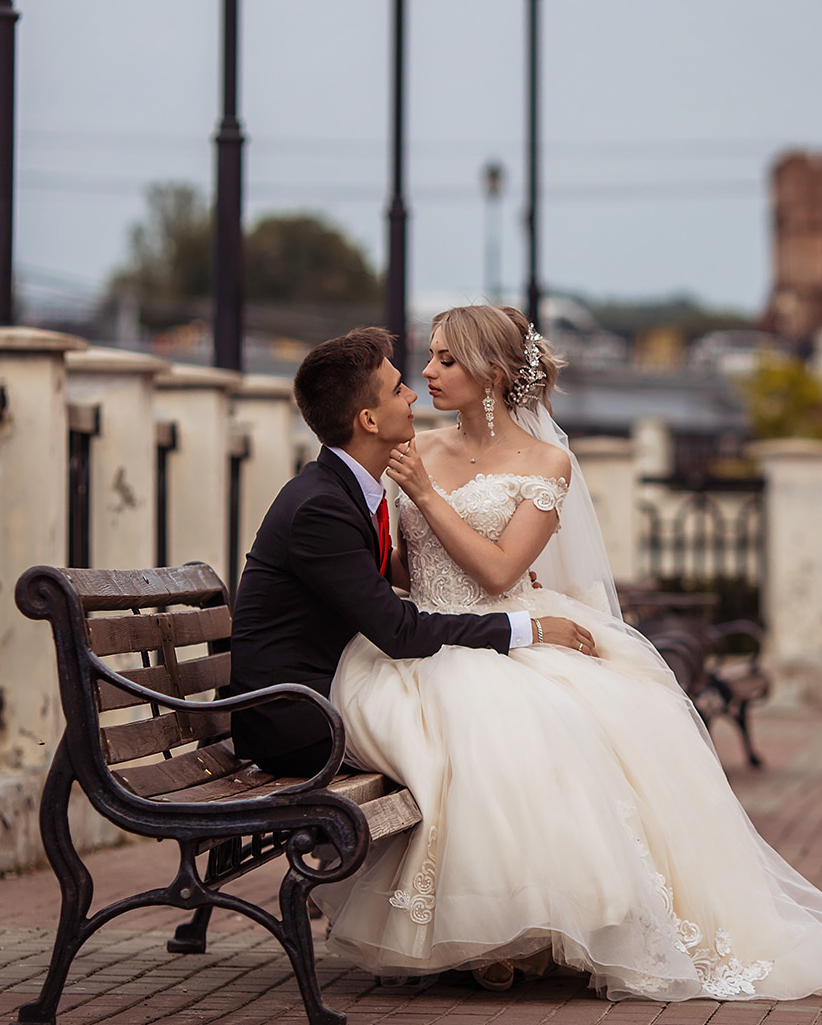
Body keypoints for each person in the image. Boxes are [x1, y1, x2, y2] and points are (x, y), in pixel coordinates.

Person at [315, 304, 822, 1002]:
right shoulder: (416, 447)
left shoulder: (548, 463)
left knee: (550, 728)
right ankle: (482, 930)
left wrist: (425, 496)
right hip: (425, 637)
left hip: (504, 626)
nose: (427, 372)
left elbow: (496, 571)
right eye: (429, 358)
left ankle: (552, 929)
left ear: (492, 373)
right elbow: (401, 570)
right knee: (471, 741)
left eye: (446, 359)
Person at [226, 328, 595, 780]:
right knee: (495, 736)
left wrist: (492, 572)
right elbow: (400, 632)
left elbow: (379, 574)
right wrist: (528, 627)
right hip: (300, 723)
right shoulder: (320, 508)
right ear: (369, 421)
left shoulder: (342, 490)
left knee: (524, 718)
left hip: (328, 691)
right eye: (399, 389)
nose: (414, 394)